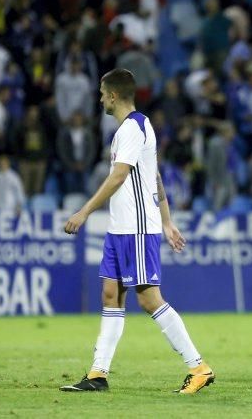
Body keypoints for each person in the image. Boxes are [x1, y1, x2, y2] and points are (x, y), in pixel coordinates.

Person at [60, 69, 214, 395]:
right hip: (120, 228)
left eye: (102, 93)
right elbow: (154, 177)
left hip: (137, 228)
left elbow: (118, 177)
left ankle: (198, 367)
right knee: (110, 295)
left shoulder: (133, 128)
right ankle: (98, 374)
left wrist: (85, 211)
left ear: (113, 96)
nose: (100, 99)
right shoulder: (132, 129)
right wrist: (169, 221)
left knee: (148, 299)